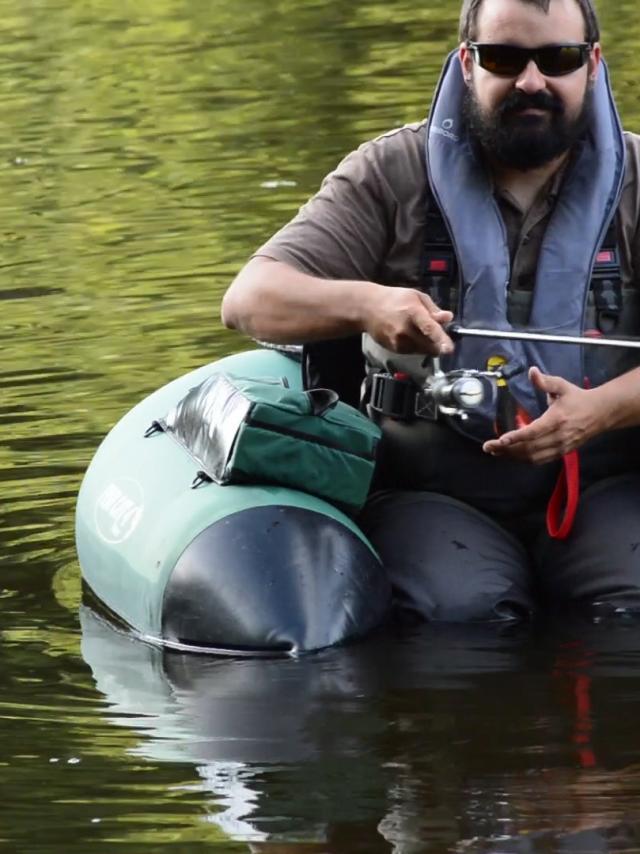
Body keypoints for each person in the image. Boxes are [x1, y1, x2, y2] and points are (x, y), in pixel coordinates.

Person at [221, 0, 640, 624]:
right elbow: (249, 299)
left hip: (608, 488)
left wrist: (599, 412)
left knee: (628, 610)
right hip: (436, 494)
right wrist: (366, 302)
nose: (532, 81)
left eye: (558, 59)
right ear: (468, 64)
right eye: (504, 58)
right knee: (459, 619)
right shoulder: (390, 173)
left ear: (592, 64)